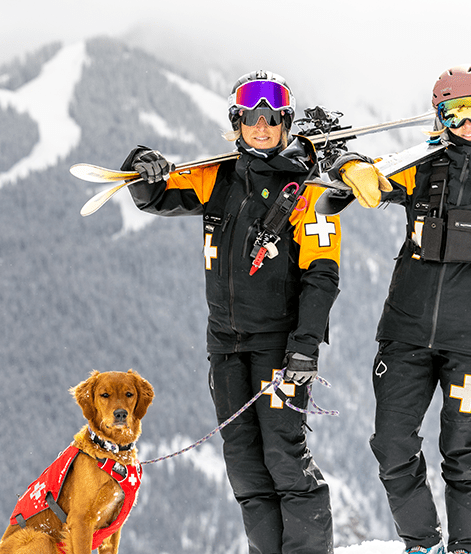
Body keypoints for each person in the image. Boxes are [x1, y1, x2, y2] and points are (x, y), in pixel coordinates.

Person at [327, 64, 471, 554]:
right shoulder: (419, 167)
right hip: (405, 336)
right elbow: (367, 174)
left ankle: (470, 548)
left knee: (462, 451)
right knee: (391, 446)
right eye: (454, 112)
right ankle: (422, 544)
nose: (467, 124)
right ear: (440, 117)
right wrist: (352, 167)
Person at [121, 70, 340, 554]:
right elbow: (155, 196)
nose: (260, 127)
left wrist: (304, 348)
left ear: (285, 123)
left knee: (284, 458)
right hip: (224, 345)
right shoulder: (218, 177)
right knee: (243, 462)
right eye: (250, 118)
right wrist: (143, 165)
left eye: (271, 119)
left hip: (279, 348)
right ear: (236, 122)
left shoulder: (307, 191)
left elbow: (322, 277)